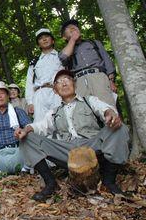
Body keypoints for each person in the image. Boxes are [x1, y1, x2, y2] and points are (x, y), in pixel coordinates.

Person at [15, 70, 129, 201]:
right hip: (67, 151)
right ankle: (50, 183)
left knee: (120, 128)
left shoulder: (89, 100)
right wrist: (26, 129)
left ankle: (109, 181)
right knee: (27, 137)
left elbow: (103, 108)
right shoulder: (54, 112)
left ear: (74, 84)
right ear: (55, 91)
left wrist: (110, 113)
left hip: (92, 145)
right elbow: (40, 126)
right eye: (59, 82)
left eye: (67, 79)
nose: (64, 83)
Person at [59, 19, 116, 107]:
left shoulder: (94, 43)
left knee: (108, 107)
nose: (73, 27)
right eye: (68, 28)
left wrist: (111, 81)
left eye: (75, 27)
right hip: (79, 82)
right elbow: (63, 57)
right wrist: (73, 40)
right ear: (64, 37)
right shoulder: (66, 50)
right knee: (87, 112)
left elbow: (107, 62)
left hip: (99, 77)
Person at [25, 28, 63, 122]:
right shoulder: (35, 62)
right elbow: (29, 83)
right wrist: (30, 102)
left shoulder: (61, 57)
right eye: (41, 38)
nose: (44, 39)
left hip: (57, 92)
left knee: (60, 120)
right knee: (40, 123)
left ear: (52, 40)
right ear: (38, 44)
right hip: (39, 94)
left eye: (47, 37)